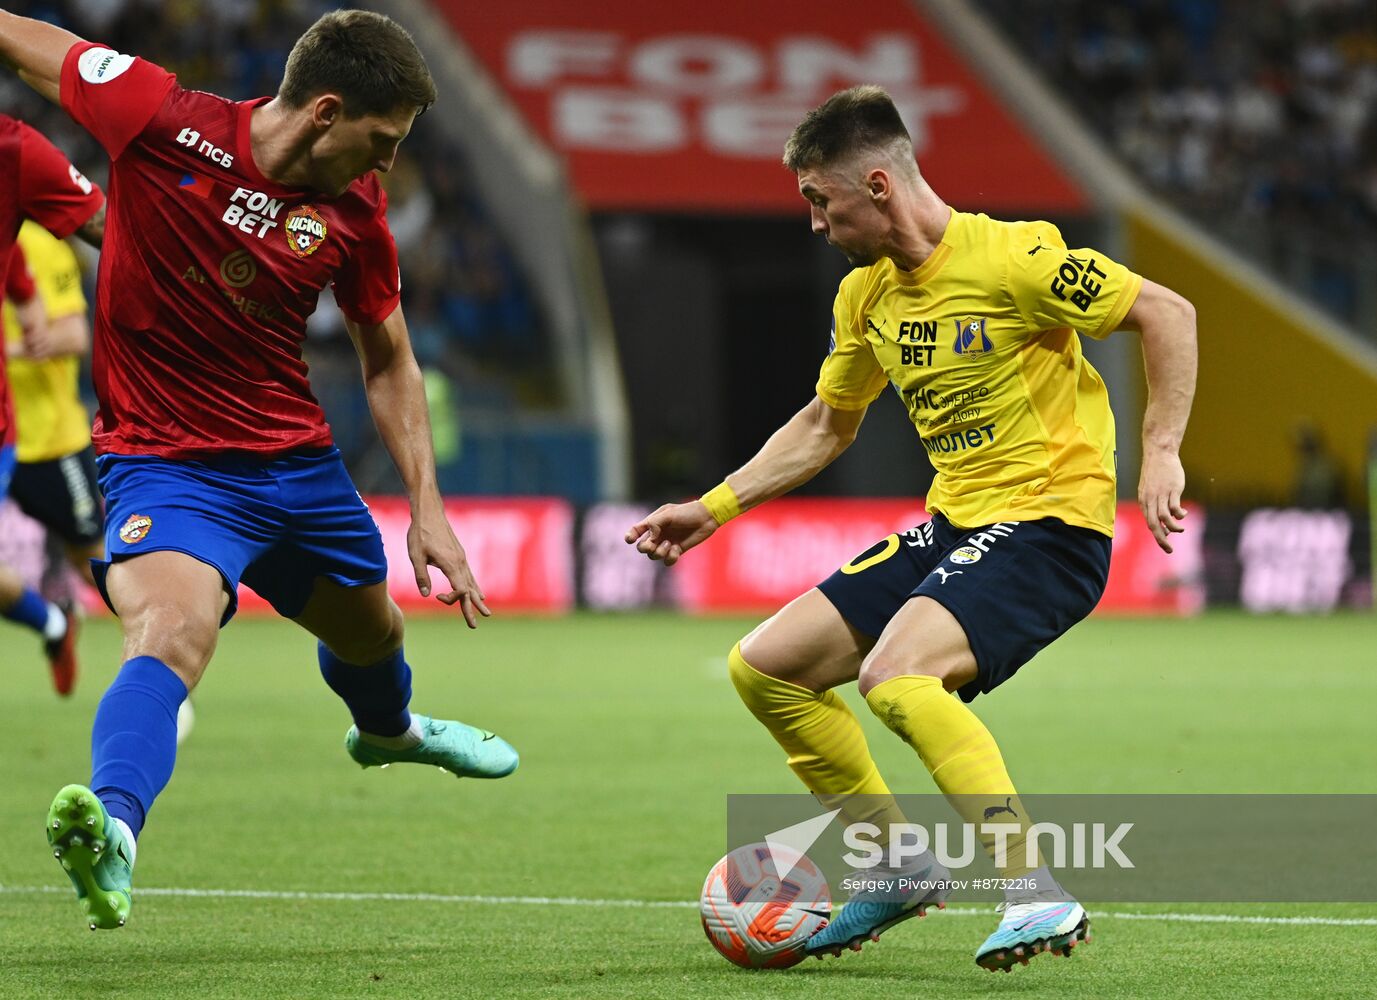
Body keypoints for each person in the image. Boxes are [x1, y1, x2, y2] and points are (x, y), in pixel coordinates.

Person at [627, 86, 1197, 973]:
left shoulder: (1017, 259)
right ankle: (896, 867)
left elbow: (1167, 313)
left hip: (1050, 523)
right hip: (956, 525)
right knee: (766, 669)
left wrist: (1159, 450)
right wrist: (713, 507)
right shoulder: (864, 299)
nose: (813, 224)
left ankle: (1032, 892)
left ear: (880, 185)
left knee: (896, 677)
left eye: (821, 200)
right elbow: (825, 424)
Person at [0, 8, 518, 933]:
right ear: (326, 112)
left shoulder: (356, 216)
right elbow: (40, 47)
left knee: (373, 636)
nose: (388, 163)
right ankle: (114, 830)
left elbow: (389, 358)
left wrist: (427, 506)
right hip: (165, 466)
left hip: (296, 467)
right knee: (168, 634)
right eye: (383, 140)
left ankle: (390, 733)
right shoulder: (161, 117)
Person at [0, 117, 103, 697]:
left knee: (95, 557)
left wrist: (19, 338)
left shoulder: (43, 242)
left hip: (49, 438)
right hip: (16, 428)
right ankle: (55, 623)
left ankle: (163, 661)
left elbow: (73, 336)